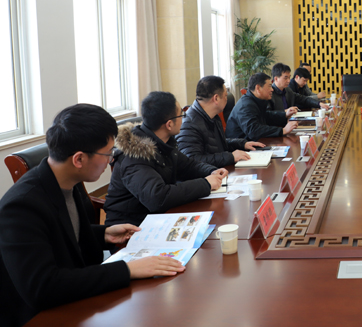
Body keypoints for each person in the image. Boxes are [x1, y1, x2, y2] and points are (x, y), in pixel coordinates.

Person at [0, 104, 185, 327]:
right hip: (42, 316)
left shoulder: (69, 181)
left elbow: (61, 233)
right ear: (79, 159)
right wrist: (128, 269)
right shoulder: (21, 206)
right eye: (107, 153)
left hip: (77, 299)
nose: (111, 160)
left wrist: (103, 234)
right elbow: (42, 287)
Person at [104, 92, 228, 226]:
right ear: (169, 125)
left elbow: (188, 166)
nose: (184, 118)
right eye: (181, 115)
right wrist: (206, 184)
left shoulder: (164, 142)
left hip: (158, 218)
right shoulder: (134, 155)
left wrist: (212, 171)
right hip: (131, 228)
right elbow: (158, 198)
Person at [176, 75, 265, 168]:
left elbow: (218, 145)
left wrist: (243, 144)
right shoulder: (188, 125)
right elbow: (192, 160)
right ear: (216, 98)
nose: (227, 99)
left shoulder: (213, 116)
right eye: (225, 95)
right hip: (208, 175)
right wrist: (230, 157)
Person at [226, 72, 299, 140]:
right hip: (242, 146)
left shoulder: (256, 100)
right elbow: (253, 131)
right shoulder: (245, 105)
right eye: (269, 86)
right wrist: (283, 130)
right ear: (258, 88)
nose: (272, 90)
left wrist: (285, 115)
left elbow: (266, 116)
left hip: (256, 141)